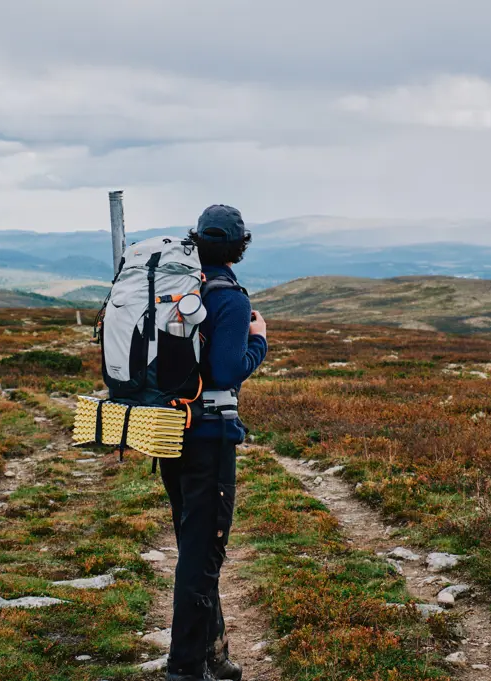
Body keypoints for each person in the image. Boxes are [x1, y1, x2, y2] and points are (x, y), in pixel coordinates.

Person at [160, 205, 268, 681]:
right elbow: (226, 370)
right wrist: (259, 341)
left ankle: (212, 655)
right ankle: (185, 668)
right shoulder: (231, 300)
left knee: (195, 547)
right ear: (239, 247)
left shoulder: (177, 288)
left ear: (196, 241)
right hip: (209, 439)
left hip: (169, 433)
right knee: (202, 557)